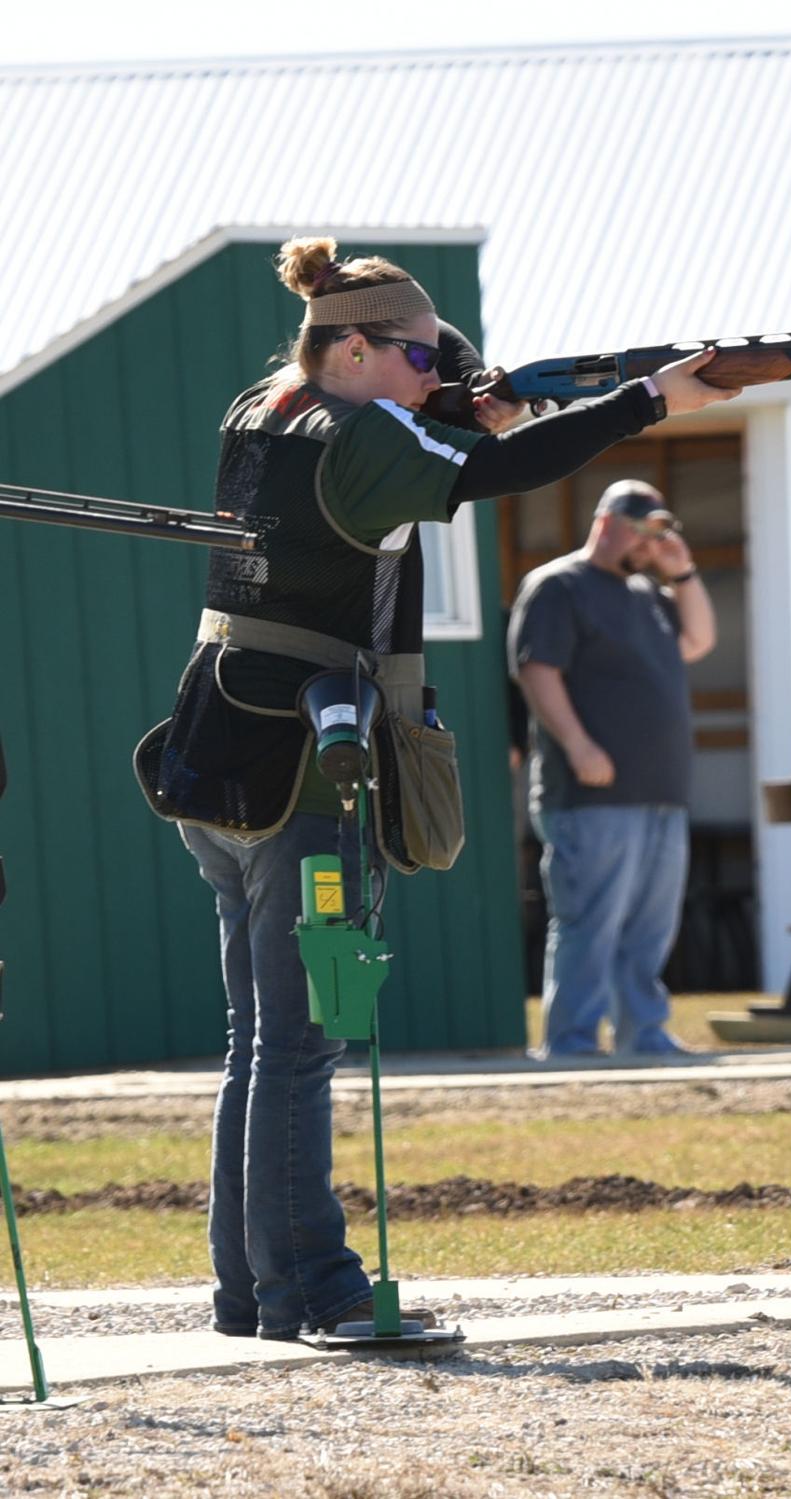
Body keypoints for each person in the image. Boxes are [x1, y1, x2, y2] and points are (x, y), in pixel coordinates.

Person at [133, 236, 737, 1341]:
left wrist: (464, 402)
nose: (432, 376)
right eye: (418, 359)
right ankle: (314, 1284)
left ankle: (253, 1290)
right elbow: (489, 473)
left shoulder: (262, 408)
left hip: (223, 741)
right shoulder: (365, 431)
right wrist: (648, 398)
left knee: (259, 1040)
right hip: (307, 765)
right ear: (353, 347)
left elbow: (401, 448)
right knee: (304, 1038)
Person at [508, 479, 716, 1058]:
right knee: (590, 922)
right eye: (645, 533)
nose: (652, 546)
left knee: (650, 927)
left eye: (660, 535)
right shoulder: (558, 586)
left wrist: (684, 572)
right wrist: (578, 745)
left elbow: (698, 640)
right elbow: (537, 670)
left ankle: (643, 1034)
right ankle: (571, 1041)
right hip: (589, 793)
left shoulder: (650, 594)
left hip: (660, 790)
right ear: (607, 523)